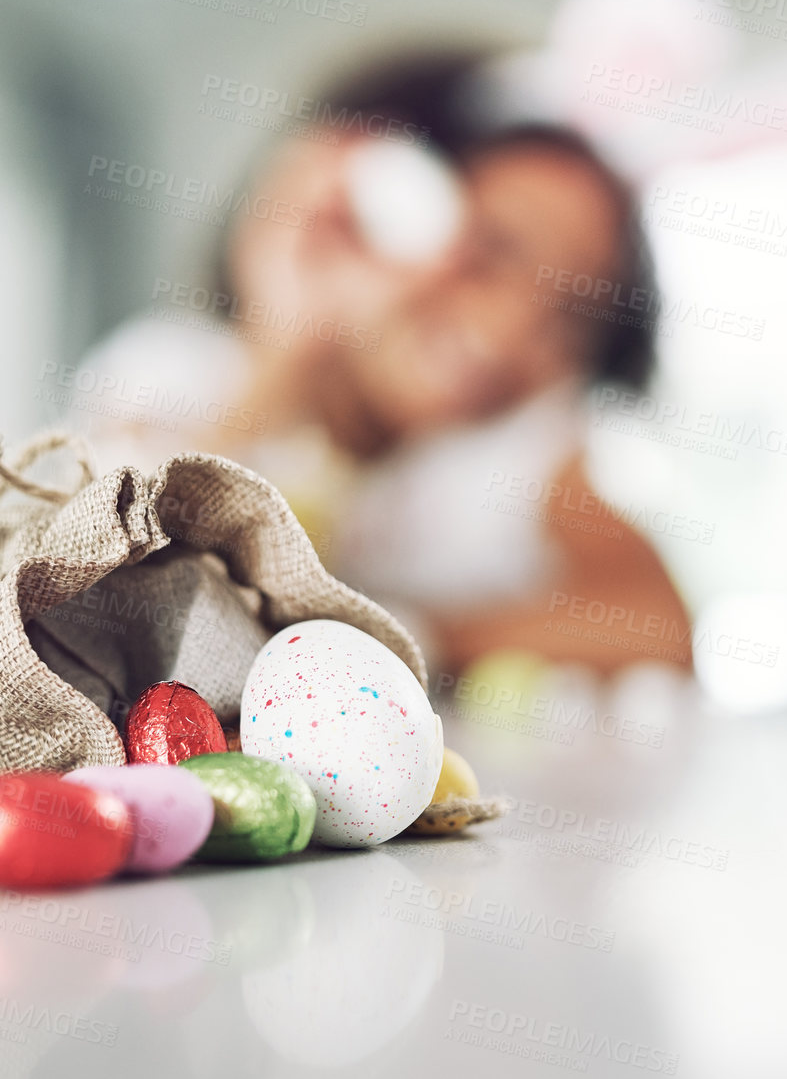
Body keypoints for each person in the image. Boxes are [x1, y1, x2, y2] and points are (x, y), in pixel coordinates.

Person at [67, 49, 691, 676]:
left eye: (571, 315)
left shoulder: (508, 449)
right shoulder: (169, 372)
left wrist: (381, 632)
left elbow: (660, 628)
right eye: (491, 252)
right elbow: (84, 577)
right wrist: (285, 348)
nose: (507, 333)